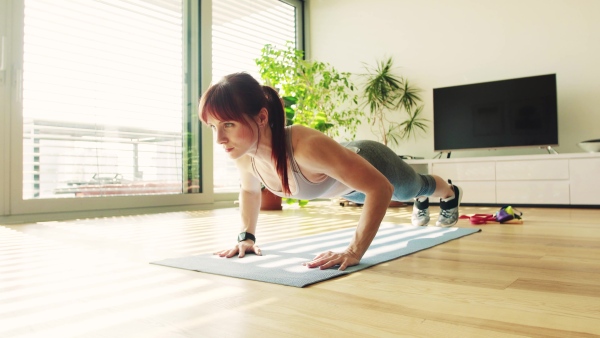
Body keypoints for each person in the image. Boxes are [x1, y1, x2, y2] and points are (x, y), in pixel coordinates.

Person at [199, 72, 462, 271]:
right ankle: (423, 199)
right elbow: (249, 190)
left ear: (262, 117)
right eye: (213, 127)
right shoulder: (245, 156)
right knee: (390, 194)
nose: (220, 138)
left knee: (415, 187)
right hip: (348, 188)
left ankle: (449, 191)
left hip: (371, 162)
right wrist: (246, 237)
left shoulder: (305, 147)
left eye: (229, 124)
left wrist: (353, 251)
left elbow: (381, 188)